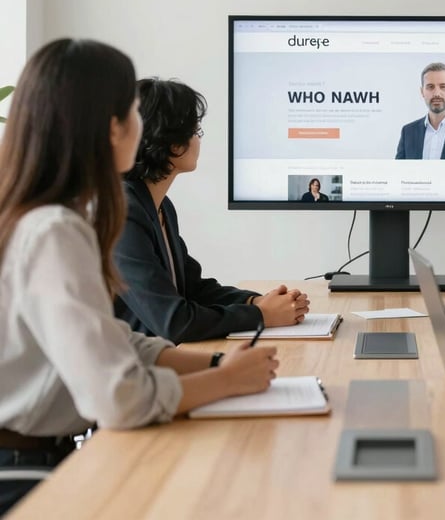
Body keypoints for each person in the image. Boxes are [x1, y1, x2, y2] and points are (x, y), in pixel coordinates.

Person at [0, 40, 279, 516]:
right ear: (113, 129)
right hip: (25, 477)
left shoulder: (46, 217)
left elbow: (115, 342)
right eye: (133, 110)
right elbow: (119, 398)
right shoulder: (54, 232)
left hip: (43, 457)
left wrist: (215, 363)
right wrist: (226, 380)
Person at [113, 78, 310, 344]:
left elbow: (194, 288)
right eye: (196, 131)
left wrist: (257, 300)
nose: (198, 139)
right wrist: (261, 314)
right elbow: (174, 321)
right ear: (173, 143)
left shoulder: (159, 206)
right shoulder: (123, 213)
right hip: (135, 370)